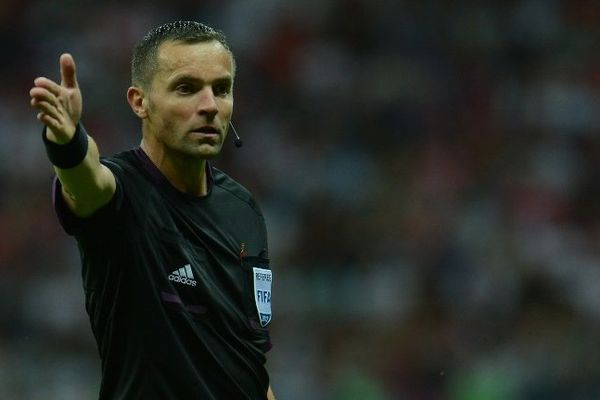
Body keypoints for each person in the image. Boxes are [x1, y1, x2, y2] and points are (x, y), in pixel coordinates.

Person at [29, 21, 276, 400]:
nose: (209, 106)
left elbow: (249, 362)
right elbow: (86, 181)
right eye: (186, 88)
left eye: (221, 89)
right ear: (139, 101)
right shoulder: (122, 194)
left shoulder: (243, 209)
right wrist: (67, 141)